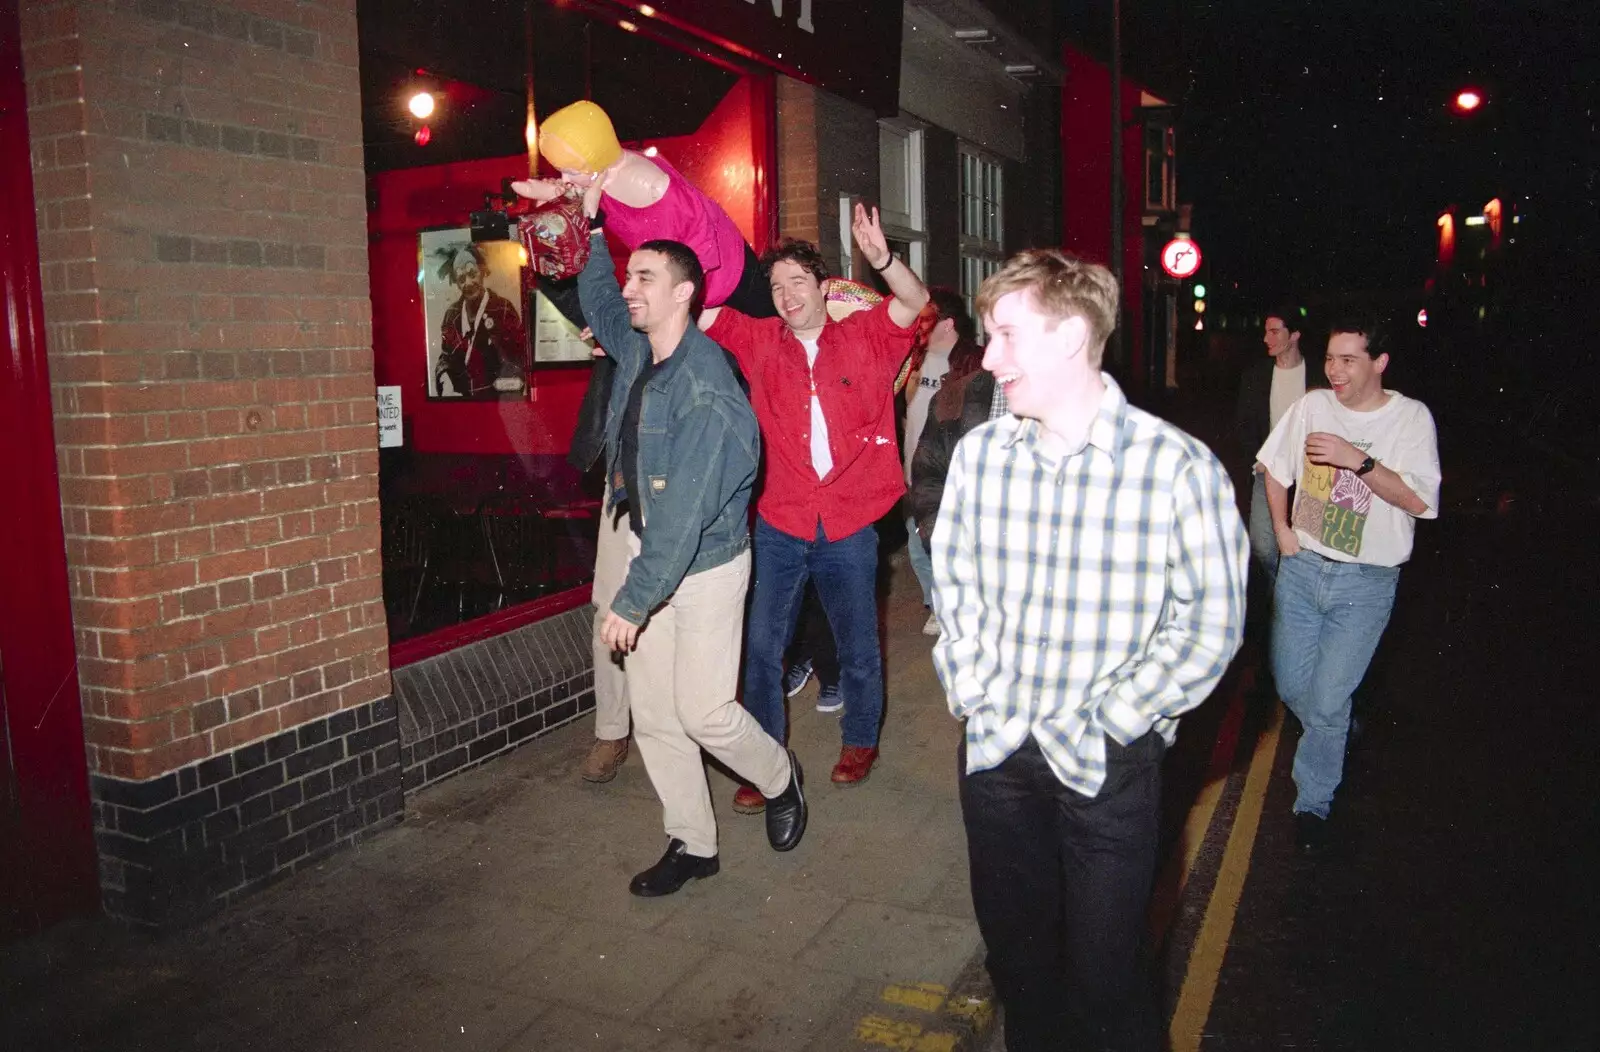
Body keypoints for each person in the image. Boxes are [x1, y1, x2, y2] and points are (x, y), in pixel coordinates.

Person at [931, 249, 1247, 1052]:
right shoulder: (981, 455)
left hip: (1109, 766)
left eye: (1005, 335)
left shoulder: (1176, 468)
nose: (989, 356)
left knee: (1108, 990)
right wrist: (972, 690)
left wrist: (1122, 717)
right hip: (999, 754)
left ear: (1072, 335)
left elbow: (1212, 620)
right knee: (1021, 975)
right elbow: (955, 586)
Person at [575, 223, 806, 896]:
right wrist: (591, 230)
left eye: (643, 279)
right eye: (630, 276)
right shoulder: (643, 349)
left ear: (684, 294)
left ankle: (779, 776)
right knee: (654, 714)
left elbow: (681, 520)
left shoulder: (706, 387)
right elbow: (599, 303)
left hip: (702, 568)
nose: (628, 289)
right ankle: (693, 841)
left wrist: (633, 598)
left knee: (704, 712)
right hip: (655, 553)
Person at [698, 205, 930, 807]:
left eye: (796, 281)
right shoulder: (757, 340)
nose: (784, 295)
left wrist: (881, 259)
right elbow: (690, 311)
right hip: (781, 520)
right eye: (775, 287)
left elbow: (915, 299)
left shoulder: (868, 337)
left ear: (824, 287)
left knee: (857, 640)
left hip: (850, 522)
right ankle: (764, 762)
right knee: (763, 648)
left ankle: (860, 742)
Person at [1256, 315, 1439, 855]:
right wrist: (1285, 531)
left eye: (1348, 360)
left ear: (1379, 363)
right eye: (1331, 358)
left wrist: (1357, 460)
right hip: (1304, 568)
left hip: (1366, 583)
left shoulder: (1410, 419)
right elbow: (1273, 466)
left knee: (1329, 700)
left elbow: (1421, 503)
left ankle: (1313, 800)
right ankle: (1334, 723)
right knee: (1293, 687)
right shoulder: (1312, 405)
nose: (1334, 370)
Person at [903, 287, 985, 635]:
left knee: (947, 548)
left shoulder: (974, 363)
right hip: (916, 473)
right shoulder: (913, 362)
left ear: (948, 324)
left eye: (925, 320)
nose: (917, 327)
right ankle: (937, 604)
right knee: (918, 546)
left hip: (951, 475)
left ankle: (954, 609)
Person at [1235, 308, 1310, 596]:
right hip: (1269, 472)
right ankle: (1281, 588)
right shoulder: (1257, 375)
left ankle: (1291, 596)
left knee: (1303, 541)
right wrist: (1259, 458)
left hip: (1308, 474)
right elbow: (1243, 424)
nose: (1266, 338)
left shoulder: (1316, 373)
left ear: (1295, 335)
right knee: (1262, 544)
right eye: (1265, 331)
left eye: (1274, 331)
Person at [434, 243, 527, 399]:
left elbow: (518, 359)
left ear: (482, 271)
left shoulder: (504, 309)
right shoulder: (451, 315)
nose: (468, 283)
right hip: (461, 406)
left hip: (496, 403)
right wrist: (444, 377)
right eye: (461, 278)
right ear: (456, 282)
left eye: (472, 273)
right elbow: (445, 357)